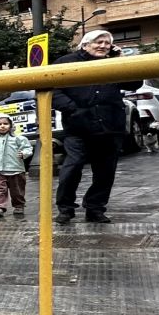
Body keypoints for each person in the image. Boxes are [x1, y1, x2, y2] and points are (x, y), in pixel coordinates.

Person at [54, 28, 129, 224]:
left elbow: (134, 84)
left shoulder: (114, 62)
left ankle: (95, 208)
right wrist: (72, 109)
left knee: (105, 172)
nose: (103, 46)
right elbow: (52, 90)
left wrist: (121, 60)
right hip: (78, 126)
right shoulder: (66, 62)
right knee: (72, 166)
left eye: (107, 43)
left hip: (110, 126)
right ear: (85, 44)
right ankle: (65, 208)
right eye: (99, 42)